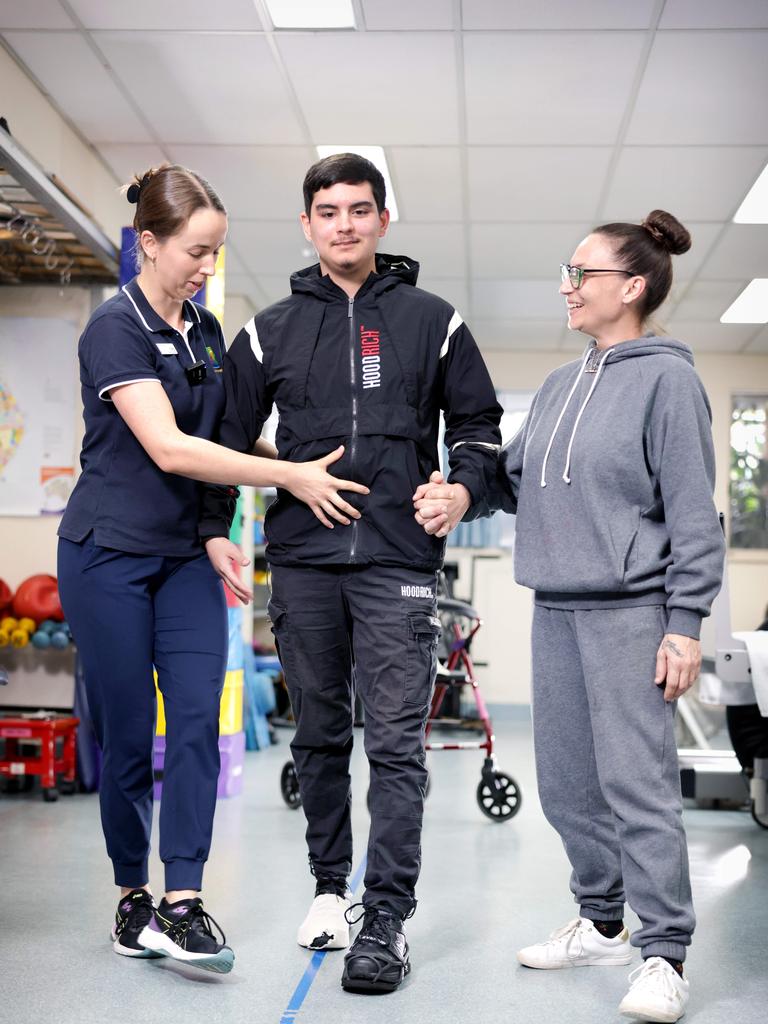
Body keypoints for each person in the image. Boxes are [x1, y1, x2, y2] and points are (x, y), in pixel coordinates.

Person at [200, 152, 502, 992]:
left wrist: (463, 489)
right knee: (323, 735)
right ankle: (330, 890)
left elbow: (479, 431)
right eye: (328, 211)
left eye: (359, 210)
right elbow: (224, 438)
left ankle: (387, 917)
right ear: (307, 225)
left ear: (382, 221)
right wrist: (245, 509)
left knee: (398, 743)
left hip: (398, 561)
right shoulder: (268, 330)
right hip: (301, 561)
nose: (344, 224)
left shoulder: (433, 321)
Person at [414, 210, 725, 1022]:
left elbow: (696, 513)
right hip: (556, 608)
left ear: (631, 286)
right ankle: (603, 920)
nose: (567, 285)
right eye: (568, 271)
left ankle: (665, 954)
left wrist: (684, 621)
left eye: (580, 273)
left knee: (638, 786)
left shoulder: (668, 381)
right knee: (567, 787)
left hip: (632, 611)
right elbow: (513, 480)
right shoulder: (559, 386)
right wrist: (462, 492)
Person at [57, 163, 368, 974]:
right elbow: (169, 446)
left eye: (217, 251)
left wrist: (280, 480)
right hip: (107, 557)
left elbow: (224, 446)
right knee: (128, 732)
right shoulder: (112, 329)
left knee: (196, 719)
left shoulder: (202, 332)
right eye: (196, 250)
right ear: (149, 243)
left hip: (182, 561)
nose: (207, 266)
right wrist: (289, 478)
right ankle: (133, 898)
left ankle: (185, 901)